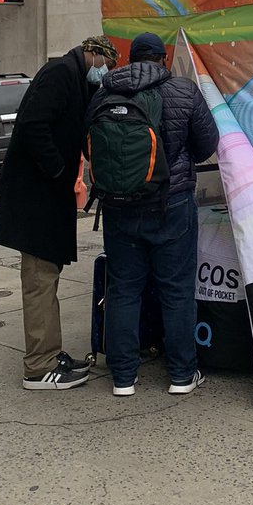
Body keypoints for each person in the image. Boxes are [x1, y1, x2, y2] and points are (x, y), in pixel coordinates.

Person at [86, 31, 218, 398]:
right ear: (162, 59)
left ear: (131, 58)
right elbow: (209, 143)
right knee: (177, 291)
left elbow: (89, 146)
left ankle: (123, 378)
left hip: (117, 207)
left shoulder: (104, 92)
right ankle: (181, 375)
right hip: (171, 204)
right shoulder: (183, 90)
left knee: (124, 290)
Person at [0, 35, 118, 390]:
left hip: (45, 195)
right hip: (35, 196)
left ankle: (51, 352)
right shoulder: (60, 73)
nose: (105, 72)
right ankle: (40, 365)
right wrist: (59, 172)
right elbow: (33, 125)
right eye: (106, 64)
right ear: (93, 55)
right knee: (39, 279)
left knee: (47, 274)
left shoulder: (75, 79)